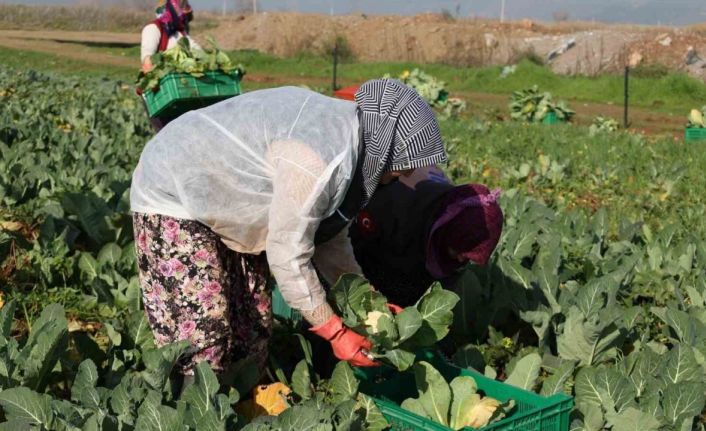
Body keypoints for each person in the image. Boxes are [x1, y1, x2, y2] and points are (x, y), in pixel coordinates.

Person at [130, 79, 448, 376]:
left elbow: (330, 238)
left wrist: (366, 300)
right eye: (400, 168)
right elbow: (287, 255)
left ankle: (235, 408)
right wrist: (335, 331)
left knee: (251, 329)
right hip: (173, 186)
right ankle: (191, 414)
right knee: (203, 337)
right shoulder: (319, 158)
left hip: (226, 194)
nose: (401, 177)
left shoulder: (352, 143)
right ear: (385, 149)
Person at [349, 166, 503, 306]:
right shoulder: (391, 209)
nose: (462, 259)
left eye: (467, 256)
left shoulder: (454, 218)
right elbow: (349, 256)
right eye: (460, 251)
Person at [140, 0, 200, 73]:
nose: (189, 9)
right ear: (172, 8)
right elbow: (147, 61)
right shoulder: (153, 28)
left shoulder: (181, 33)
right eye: (183, 5)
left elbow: (198, 52)